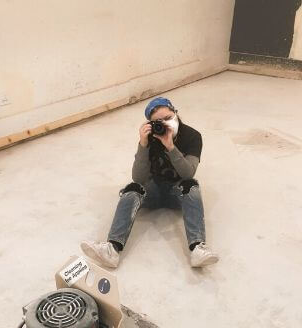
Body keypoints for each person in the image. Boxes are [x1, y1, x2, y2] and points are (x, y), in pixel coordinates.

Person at [81, 97, 219, 268]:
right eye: (158, 122)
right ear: (151, 124)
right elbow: (138, 178)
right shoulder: (151, 138)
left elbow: (188, 173)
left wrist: (170, 147)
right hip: (154, 190)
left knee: (192, 186)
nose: (165, 124)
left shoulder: (192, 136)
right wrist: (143, 144)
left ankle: (197, 248)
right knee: (132, 188)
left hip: (178, 191)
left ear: (176, 113)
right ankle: (112, 249)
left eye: (168, 117)